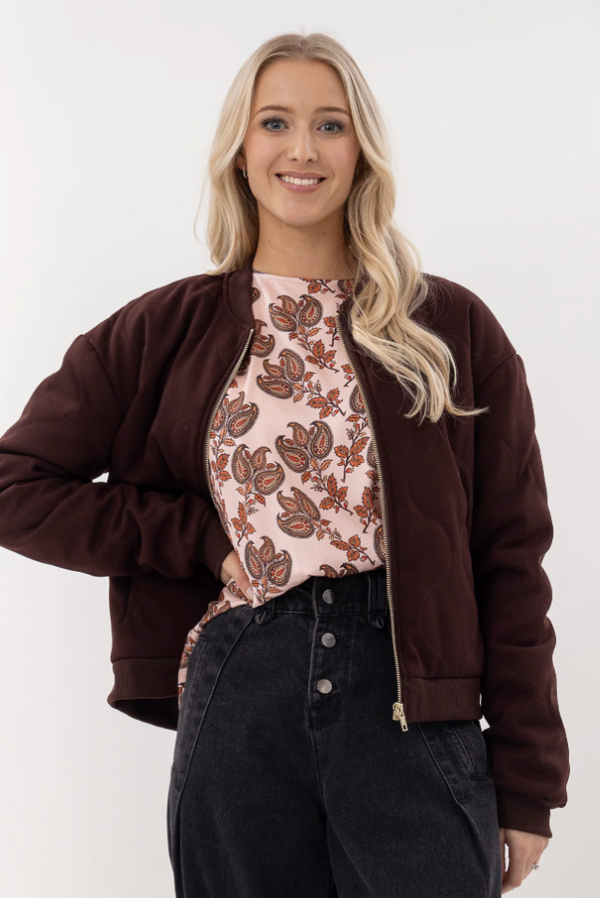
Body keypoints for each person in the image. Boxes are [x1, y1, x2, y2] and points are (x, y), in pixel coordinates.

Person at [0, 31, 569, 898]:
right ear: (240, 148)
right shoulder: (161, 331)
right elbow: (16, 486)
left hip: (412, 709)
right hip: (242, 701)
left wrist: (529, 784)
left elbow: (512, 560)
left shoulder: (450, 331)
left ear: (361, 151)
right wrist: (199, 538)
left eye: (330, 125)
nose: (302, 149)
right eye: (275, 122)